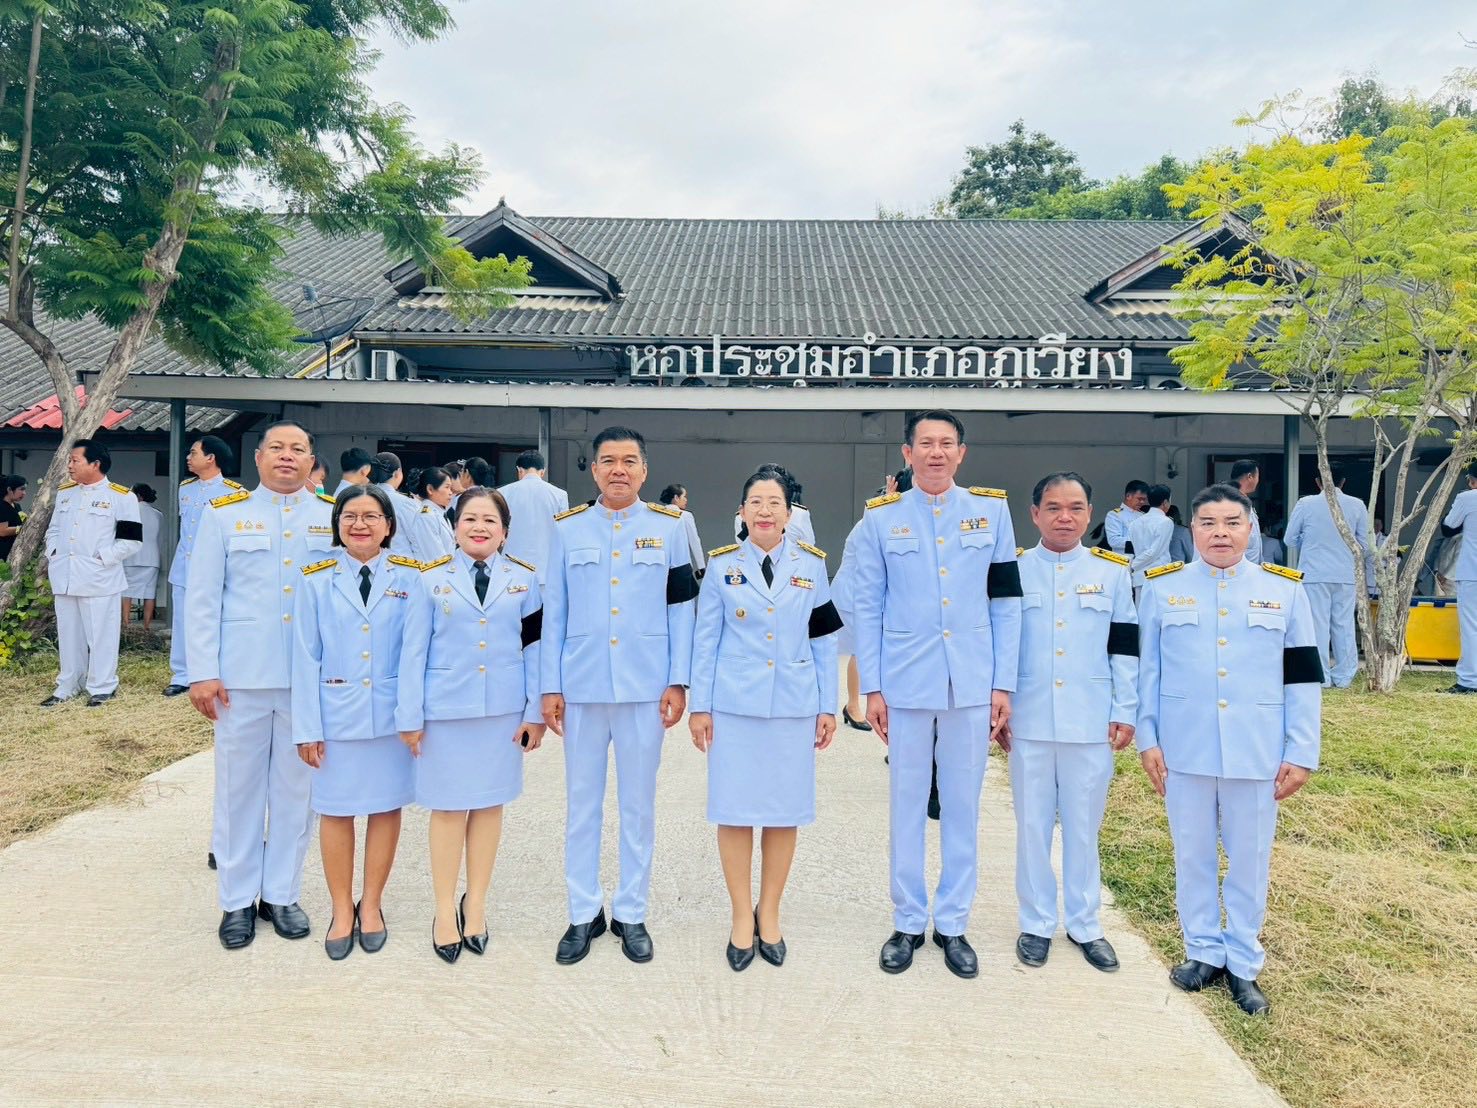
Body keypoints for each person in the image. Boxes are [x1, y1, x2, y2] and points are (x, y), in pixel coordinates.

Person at [1136, 483, 1322, 1016]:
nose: (1220, 533)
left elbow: (1303, 677)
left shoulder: (1285, 592)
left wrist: (1301, 750)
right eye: (1208, 523)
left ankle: (1242, 961)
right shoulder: (1163, 589)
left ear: (1251, 528)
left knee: (1249, 859)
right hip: (1184, 746)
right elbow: (1149, 671)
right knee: (1191, 855)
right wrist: (1148, 738)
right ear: (1191, 529)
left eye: (1232, 523)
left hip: (1256, 749)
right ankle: (1202, 951)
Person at [853, 410, 1022, 979]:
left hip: (970, 681)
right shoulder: (881, 518)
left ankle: (952, 922)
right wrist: (872, 687)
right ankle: (907, 920)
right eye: (925, 443)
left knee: (962, 804)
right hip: (905, 681)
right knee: (905, 803)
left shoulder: (991, 512)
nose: (936, 453)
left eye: (946, 443)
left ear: (961, 453)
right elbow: (868, 605)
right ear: (907, 454)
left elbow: (1006, 602)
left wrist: (1002, 683)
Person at [541, 426, 698, 966]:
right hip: (583, 686)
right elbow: (554, 611)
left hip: (644, 687)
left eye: (629, 461)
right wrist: (550, 685)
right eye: (608, 460)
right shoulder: (567, 529)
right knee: (582, 806)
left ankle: (631, 911)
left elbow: (682, 609)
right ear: (593, 469)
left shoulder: (669, 528)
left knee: (637, 806)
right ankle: (582, 911)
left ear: (644, 470)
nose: (618, 470)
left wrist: (678, 679)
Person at [186, 420, 335, 951]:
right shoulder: (225, 515)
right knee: (238, 792)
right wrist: (202, 671)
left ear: (311, 460)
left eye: (298, 449)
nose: (287, 456)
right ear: (258, 457)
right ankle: (236, 900)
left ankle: (281, 894)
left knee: (297, 792)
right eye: (277, 447)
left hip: (308, 681)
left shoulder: (332, 517)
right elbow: (202, 597)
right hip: (240, 679)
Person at [689, 471, 841, 970]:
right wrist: (700, 707)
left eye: (775, 503)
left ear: (790, 514)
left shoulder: (812, 566)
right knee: (733, 810)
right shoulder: (721, 566)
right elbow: (705, 640)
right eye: (755, 502)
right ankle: (740, 914)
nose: (765, 511)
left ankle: (769, 911)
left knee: (783, 811)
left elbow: (824, 639)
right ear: (741, 512)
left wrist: (827, 705)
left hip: (793, 706)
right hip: (734, 707)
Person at [401, 487, 546, 963]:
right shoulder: (429, 580)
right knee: (447, 809)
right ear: (454, 526)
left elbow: (534, 649)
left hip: (502, 713)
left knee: (487, 807)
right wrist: (410, 717)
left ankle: (476, 902)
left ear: (504, 532)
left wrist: (534, 714)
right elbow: (412, 653)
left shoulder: (525, 580)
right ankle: (444, 908)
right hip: (444, 712)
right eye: (469, 519)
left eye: (489, 521)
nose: (479, 527)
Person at [1009, 472, 1137, 973]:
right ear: (1035, 514)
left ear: (1089, 515)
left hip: (1091, 719)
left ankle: (1085, 923)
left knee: (1084, 828)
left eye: (1076, 508)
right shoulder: (1014, 569)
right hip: (1029, 718)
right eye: (1054, 508)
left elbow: (1124, 646)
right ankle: (1036, 921)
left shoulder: (1112, 572)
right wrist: (1000, 706)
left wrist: (1124, 708)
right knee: (1032, 826)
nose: (1065, 517)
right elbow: (1001, 644)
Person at [291, 485, 421, 960]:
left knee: (386, 808)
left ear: (388, 525)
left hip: (391, 717)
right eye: (350, 516)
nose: (360, 524)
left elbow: (416, 653)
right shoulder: (314, 578)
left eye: (371, 516)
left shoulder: (412, 577)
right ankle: (341, 908)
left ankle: (372, 905)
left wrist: (413, 717)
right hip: (335, 715)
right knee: (336, 810)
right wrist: (307, 727)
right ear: (337, 524)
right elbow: (304, 657)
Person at [42, 440, 142, 708]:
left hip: (100, 578)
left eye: (75, 460)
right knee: (68, 634)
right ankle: (68, 685)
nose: (69, 465)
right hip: (65, 575)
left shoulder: (122, 497)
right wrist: (53, 552)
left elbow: (132, 541)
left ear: (95, 464)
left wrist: (102, 558)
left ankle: (102, 686)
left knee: (101, 635)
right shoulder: (66, 493)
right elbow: (54, 529)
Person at [165, 436, 242, 697]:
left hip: (215, 570)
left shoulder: (234, 493)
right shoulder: (185, 489)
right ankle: (181, 675)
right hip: (184, 566)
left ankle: (216, 671)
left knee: (216, 621)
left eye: (193, 453)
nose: (188, 458)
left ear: (211, 458)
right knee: (181, 622)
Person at [1284, 465, 1374, 689]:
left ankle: (1321, 676)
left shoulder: (1305, 504)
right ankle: (1344, 677)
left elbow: (1289, 539)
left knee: (1317, 625)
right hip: (1345, 573)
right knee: (1344, 625)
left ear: (1318, 481)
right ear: (1343, 482)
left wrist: (1309, 541)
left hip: (1314, 573)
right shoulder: (1357, 505)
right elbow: (1365, 545)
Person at [498, 449, 569, 585]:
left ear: (519, 470)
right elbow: (564, 534)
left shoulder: (502, 493)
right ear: (543, 471)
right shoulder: (560, 495)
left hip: (511, 566)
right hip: (547, 569)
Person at [1441, 461, 1477, 694]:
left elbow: (1448, 527)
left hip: (1472, 572)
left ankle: (1469, 681)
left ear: (1472, 480)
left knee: (1471, 627)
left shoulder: (1467, 498)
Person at [122, 483, 164, 631]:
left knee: (127, 591)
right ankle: (146, 627)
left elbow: (123, 536)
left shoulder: (129, 511)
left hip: (132, 556)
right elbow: (159, 539)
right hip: (152, 558)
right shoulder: (158, 514)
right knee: (150, 593)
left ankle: (126, 624)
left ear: (138, 495)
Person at [371, 451, 425, 559]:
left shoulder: (363, 497)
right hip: (399, 562)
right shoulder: (405, 503)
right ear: (397, 472)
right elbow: (418, 538)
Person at [1127, 484, 1175, 590]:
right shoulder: (1166, 522)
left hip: (1139, 577)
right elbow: (1154, 552)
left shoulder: (1134, 523)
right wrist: (1133, 565)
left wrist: (1130, 566)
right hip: (1158, 575)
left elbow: (1129, 550)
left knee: (1140, 601)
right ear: (1165, 502)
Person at [659, 483, 705, 578]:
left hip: (661, 566)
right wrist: (701, 566)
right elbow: (694, 542)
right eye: (684, 496)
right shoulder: (685, 516)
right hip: (682, 566)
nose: (686, 499)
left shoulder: (657, 515)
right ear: (676, 497)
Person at [412, 465, 456, 559]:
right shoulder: (426, 516)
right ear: (430, 489)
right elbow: (434, 556)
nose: (450, 492)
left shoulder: (439, 513)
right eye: (447, 487)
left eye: (451, 488)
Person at [1227, 460, 1264, 564]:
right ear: (1250, 477)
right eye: (1257, 476)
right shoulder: (1231, 500)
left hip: (1251, 564)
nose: (1258, 480)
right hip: (1237, 564)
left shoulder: (1243, 498)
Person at [1104, 480, 1149, 555]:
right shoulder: (1115, 515)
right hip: (1124, 560)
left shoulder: (1143, 515)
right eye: (1139, 499)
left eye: (1144, 499)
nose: (1142, 502)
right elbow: (1114, 541)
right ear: (1128, 496)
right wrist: (1139, 542)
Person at [0, 474, 27, 559]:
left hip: (14, 552)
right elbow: (2, 531)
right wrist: (22, 529)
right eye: (21, 489)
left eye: (25, 490)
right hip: (3, 554)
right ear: (9, 489)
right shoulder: (2, 506)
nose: (24, 493)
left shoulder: (17, 506)